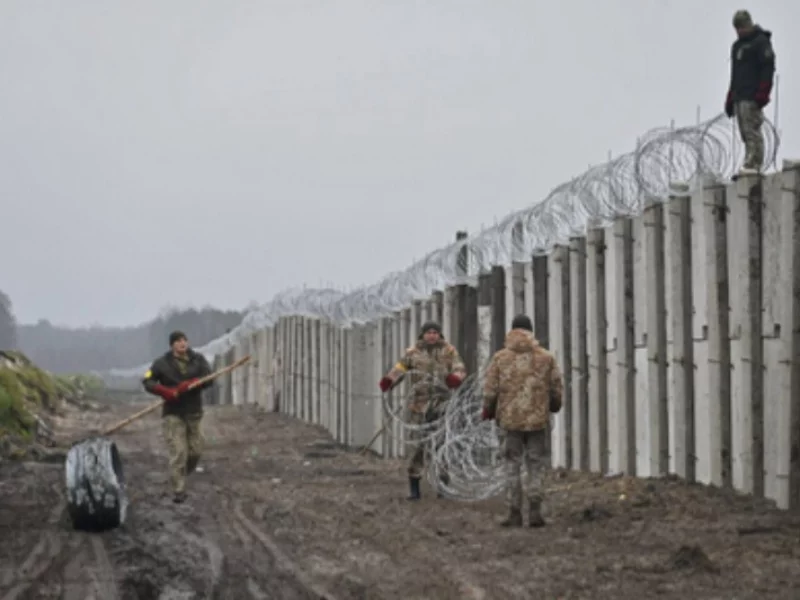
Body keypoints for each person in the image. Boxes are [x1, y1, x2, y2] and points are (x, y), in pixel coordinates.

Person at [481, 314, 563, 528]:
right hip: (537, 420)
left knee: (511, 465)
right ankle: (535, 512)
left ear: (512, 330)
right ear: (530, 331)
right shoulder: (546, 357)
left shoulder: (501, 358)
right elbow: (556, 388)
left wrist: (488, 410)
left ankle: (514, 512)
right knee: (535, 464)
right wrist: (553, 406)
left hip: (509, 421)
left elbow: (490, 391)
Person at [379, 321, 466, 500]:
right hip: (418, 407)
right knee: (417, 446)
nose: (432, 335)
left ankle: (442, 485)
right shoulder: (413, 354)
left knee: (442, 445)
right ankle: (414, 487)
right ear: (423, 335)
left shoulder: (449, 351)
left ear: (439, 334)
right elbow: (400, 370)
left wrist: (455, 378)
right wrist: (389, 381)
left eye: (435, 332)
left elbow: (459, 368)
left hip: (441, 405)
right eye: (429, 332)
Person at [142, 330, 214, 503]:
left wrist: (193, 383)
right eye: (178, 341)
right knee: (178, 451)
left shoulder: (198, 360)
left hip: (194, 412)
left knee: (195, 451)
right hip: (173, 413)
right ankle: (178, 489)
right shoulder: (161, 363)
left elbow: (209, 378)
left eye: (185, 340)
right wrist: (163, 390)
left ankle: (181, 473)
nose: (183, 343)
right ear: (172, 344)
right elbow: (147, 380)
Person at [724, 10, 776, 177]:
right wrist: (731, 95)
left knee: (752, 130)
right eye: (737, 28)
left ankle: (754, 164)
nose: (739, 31)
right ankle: (748, 160)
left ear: (748, 24)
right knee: (744, 133)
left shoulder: (760, 42)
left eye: (741, 27)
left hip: (752, 95)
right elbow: (735, 73)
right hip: (740, 94)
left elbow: (768, 67)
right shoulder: (737, 46)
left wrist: (763, 91)